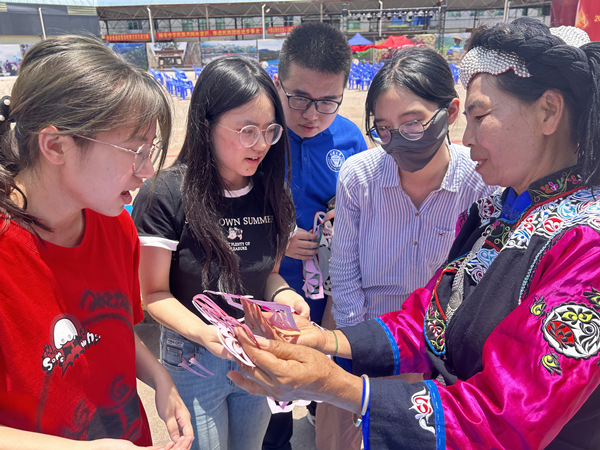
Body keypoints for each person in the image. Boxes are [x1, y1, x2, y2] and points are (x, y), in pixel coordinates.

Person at [228, 20, 600, 449]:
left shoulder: (585, 244)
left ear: (549, 112)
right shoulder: (496, 210)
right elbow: (433, 316)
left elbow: (507, 415)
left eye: (480, 116)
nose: (468, 136)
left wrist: (338, 384)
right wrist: (328, 339)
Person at [0, 35, 193, 449]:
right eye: (133, 150)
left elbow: (113, 330)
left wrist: (160, 377)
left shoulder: (115, 225)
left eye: (151, 149)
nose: (146, 171)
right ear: (56, 145)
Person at [132, 56, 307, 450]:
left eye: (269, 130)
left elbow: (267, 275)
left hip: (254, 348)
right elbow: (153, 294)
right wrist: (205, 333)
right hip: (194, 354)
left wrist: (284, 296)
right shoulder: (165, 194)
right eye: (247, 130)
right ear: (206, 125)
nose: (261, 145)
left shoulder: (271, 192)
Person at [324, 46, 496, 449]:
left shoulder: (482, 185)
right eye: (383, 128)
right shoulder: (359, 178)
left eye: (413, 124)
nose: (396, 140)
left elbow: (478, 291)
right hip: (366, 344)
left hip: (442, 358)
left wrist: (430, 365)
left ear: (450, 113)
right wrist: (364, 358)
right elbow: (346, 275)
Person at [268, 21, 368, 449]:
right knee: (272, 386)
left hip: (330, 291)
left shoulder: (348, 138)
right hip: (270, 288)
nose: (312, 114)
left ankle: (315, 415)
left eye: (328, 101)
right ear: (277, 83)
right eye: (299, 99)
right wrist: (278, 238)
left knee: (322, 372)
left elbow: (366, 209)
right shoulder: (258, 136)